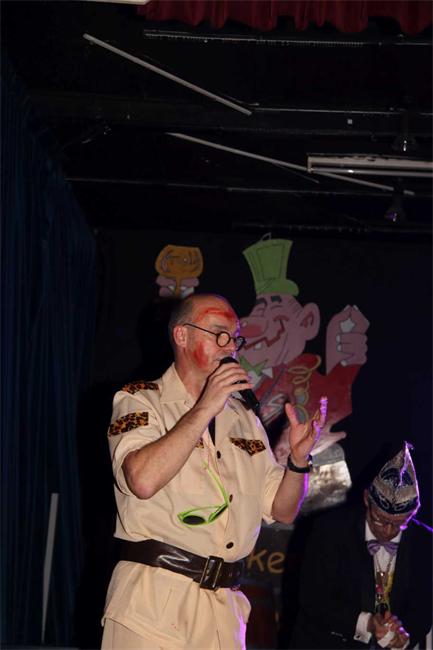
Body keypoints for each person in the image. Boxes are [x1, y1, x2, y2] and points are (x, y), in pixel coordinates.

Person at [101, 292, 327, 649]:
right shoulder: (140, 400)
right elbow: (141, 480)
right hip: (153, 604)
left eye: (234, 338)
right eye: (219, 333)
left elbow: (282, 510)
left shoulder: (244, 418)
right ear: (182, 335)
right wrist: (205, 407)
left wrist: (299, 461)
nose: (230, 346)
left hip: (223, 610)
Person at [289, 442, 432, 649]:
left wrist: (404, 637)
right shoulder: (331, 529)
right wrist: (368, 624)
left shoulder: (425, 542)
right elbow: (313, 600)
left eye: (399, 524)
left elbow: (423, 607)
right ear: (366, 499)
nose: (387, 531)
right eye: (379, 519)